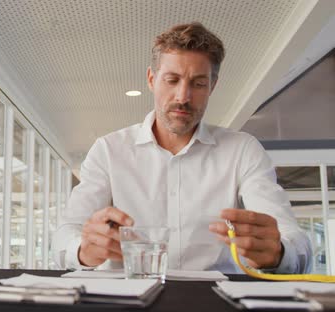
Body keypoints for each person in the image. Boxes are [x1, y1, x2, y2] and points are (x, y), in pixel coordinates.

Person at [52, 22, 311, 273]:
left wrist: (278, 253)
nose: (183, 97)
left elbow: (296, 242)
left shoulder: (243, 150)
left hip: (213, 300)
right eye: (172, 80)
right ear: (152, 79)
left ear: (212, 86)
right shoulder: (108, 150)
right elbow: (64, 238)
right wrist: (83, 251)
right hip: (128, 298)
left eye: (198, 83)